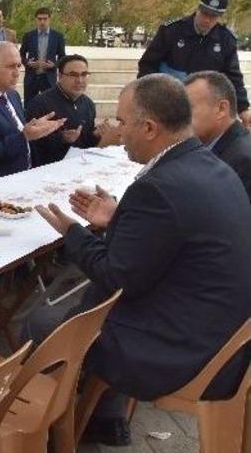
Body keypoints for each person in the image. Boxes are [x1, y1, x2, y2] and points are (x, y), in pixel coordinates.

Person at [31, 74, 251, 446]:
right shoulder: (210, 165)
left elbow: (117, 275)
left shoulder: (157, 186)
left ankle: (47, 430)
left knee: (45, 318)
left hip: (187, 349)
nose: (117, 131)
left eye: (121, 122)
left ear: (149, 127)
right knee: (83, 302)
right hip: (223, 329)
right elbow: (171, 238)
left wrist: (73, 232)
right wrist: (118, 219)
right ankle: (102, 417)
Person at [138, 0, 251, 128]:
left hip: (202, 107)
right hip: (168, 101)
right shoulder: (172, 31)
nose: (207, 20)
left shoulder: (226, 40)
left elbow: (233, 77)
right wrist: (149, 96)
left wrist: (243, 108)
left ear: (220, 17)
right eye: (204, 13)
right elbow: (147, 65)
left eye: (213, 16)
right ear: (198, 9)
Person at [0, 41, 66, 183]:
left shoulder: (12, 94)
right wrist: (24, 136)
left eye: (18, 66)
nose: (17, 73)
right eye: (10, 66)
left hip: (22, 178)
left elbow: (16, 132)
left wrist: (35, 129)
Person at [184, 70, 251, 202]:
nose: (181, 117)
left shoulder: (242, 161)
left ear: (221, 109)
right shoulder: (215, 146)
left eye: (188, 108)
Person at [26, 54, 102, 166]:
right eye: (73, 75)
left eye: (84, 74)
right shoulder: (40, 103)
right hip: (49, 172)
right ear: (60, 76)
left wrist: (96, 134)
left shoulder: (88, 104)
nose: (80, 80)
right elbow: (31, 144)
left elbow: (86, 141)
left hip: (80, 168)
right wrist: (61, 138)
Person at [19, 7, 66, 104]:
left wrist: (54, 65)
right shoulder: (28, 36)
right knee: (29, 106)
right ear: (36, 20)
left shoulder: (57, 36)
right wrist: (28, 62)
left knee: (50, 105)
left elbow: (63, 56)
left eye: (45, 19)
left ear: (50, 19)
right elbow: (20, 54)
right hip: (32, 77)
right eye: (39, 19)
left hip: (48, 78)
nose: (42, 22)